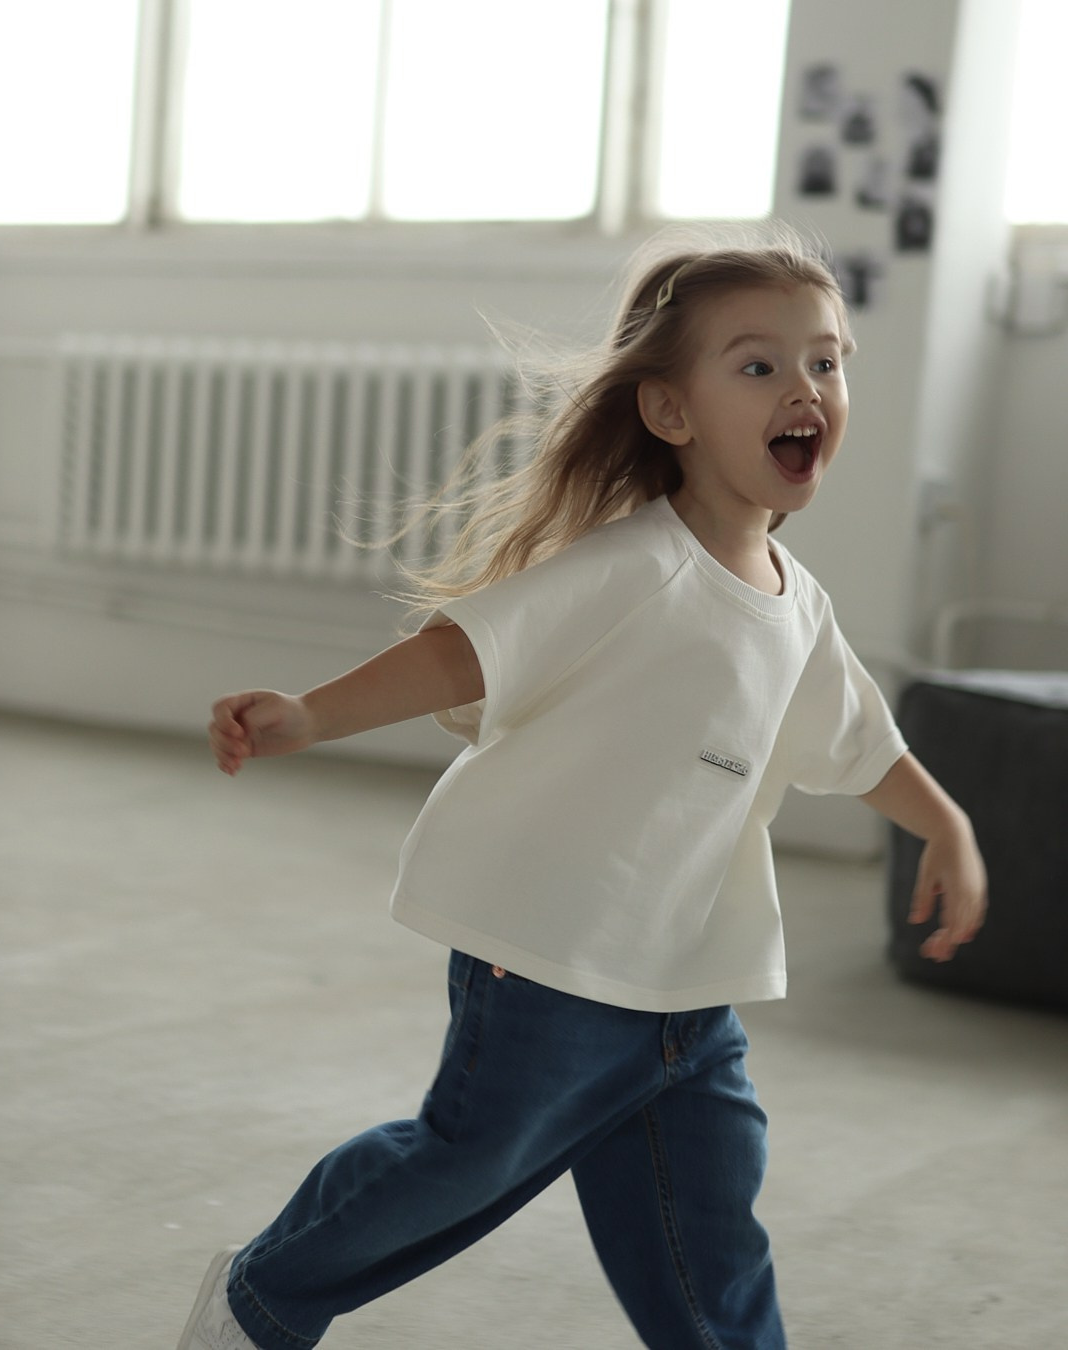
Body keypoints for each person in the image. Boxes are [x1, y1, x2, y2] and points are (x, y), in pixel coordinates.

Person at [178, 231, 988, 1350]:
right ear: (669, 412)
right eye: (758, 365)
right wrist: (312, 714)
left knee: (709, 1223)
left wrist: (942, 821)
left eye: (827, 362)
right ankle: (259, 1300)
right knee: (468, 1161)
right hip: (551, 963)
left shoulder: (797, 603)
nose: (805, 388)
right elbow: (468, 654)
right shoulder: (635, 568)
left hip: (688, 992)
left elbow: (858, 739)